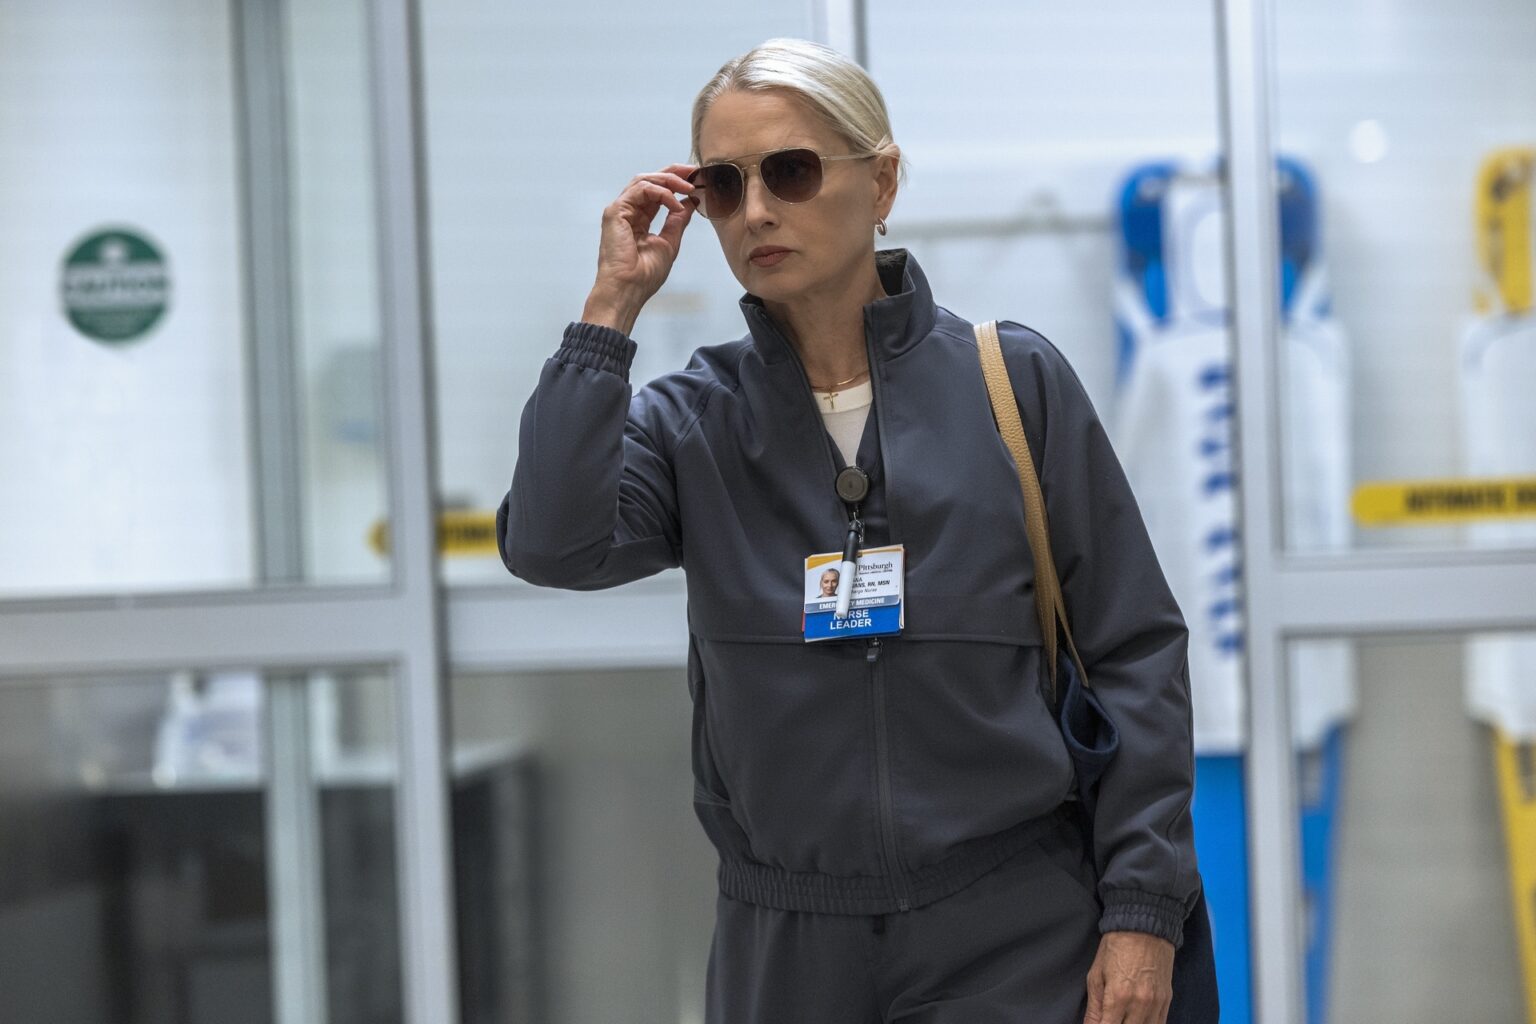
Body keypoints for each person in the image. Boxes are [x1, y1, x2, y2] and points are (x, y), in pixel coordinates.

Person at [499, 37, 1204, 1024]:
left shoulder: (1014, 385)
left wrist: (1143, 910)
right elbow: (551, 546)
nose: (755, 210)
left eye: (789, 171)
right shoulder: (691, 420)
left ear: (881, 182)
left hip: (1013, 929)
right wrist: (609, 310)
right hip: (786, 943)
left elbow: (1135, 654)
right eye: (722, 184)